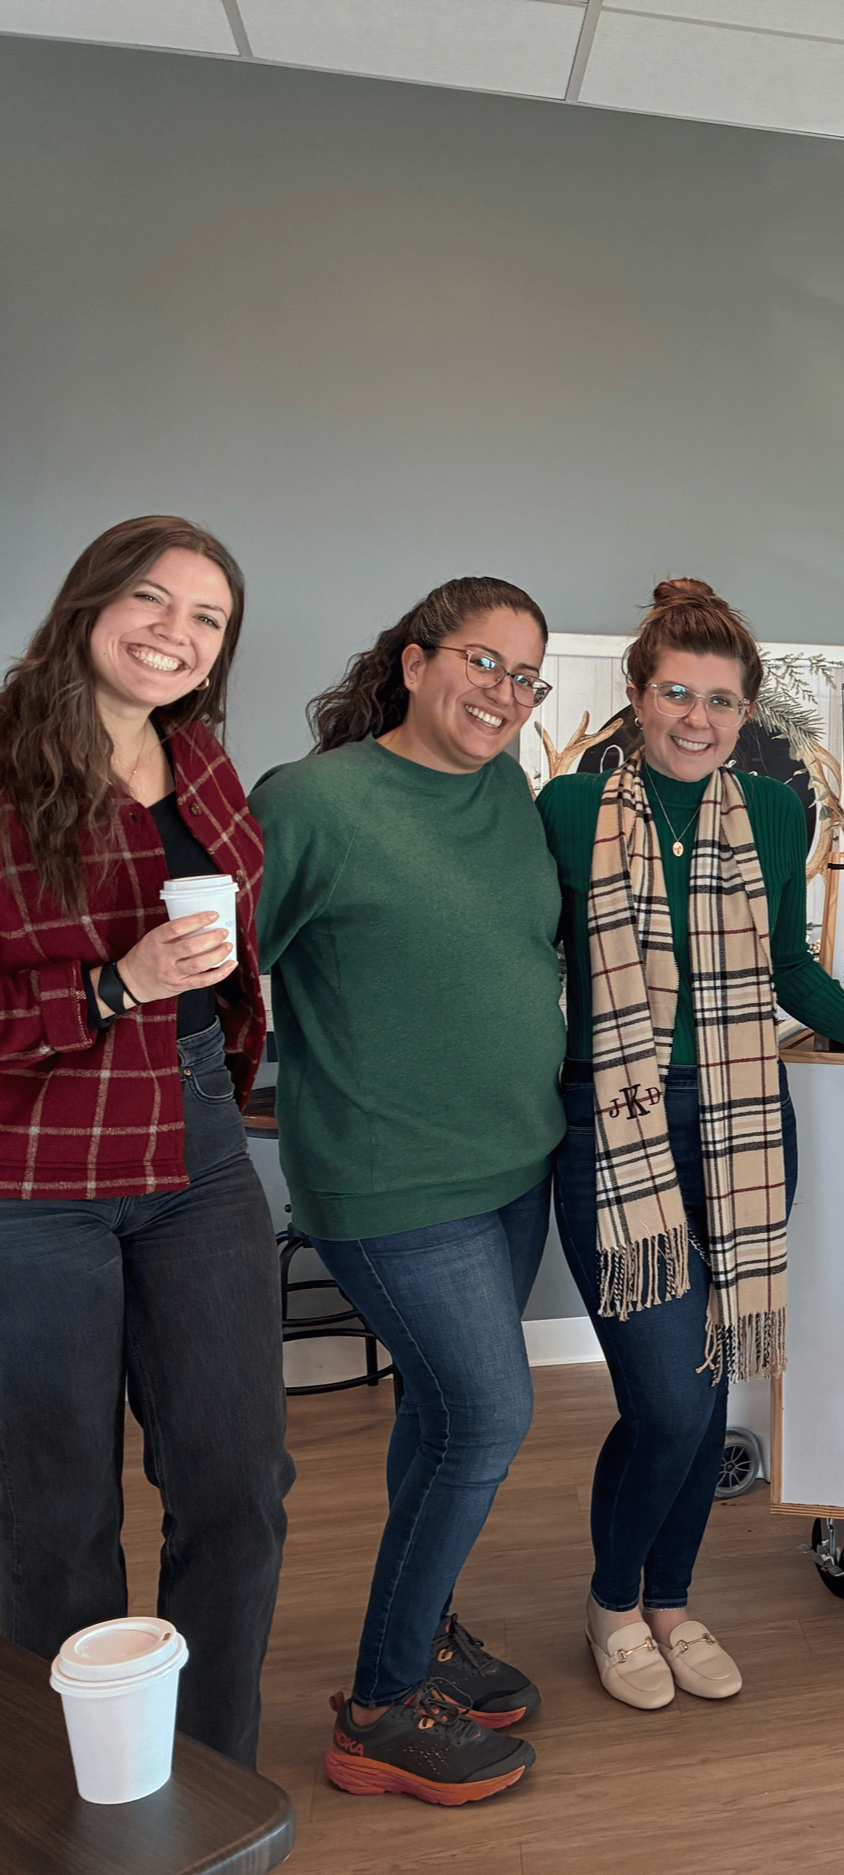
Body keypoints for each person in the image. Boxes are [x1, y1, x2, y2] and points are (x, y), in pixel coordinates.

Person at [537, 578, 844, 1711]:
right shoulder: (568, 811)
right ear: (636, 700)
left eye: (721, 700)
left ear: (746, 712)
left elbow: (787, 963)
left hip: (739, 1119)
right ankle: (612, 1604)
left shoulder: (776, 816)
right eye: (676, 694)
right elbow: (524, 960)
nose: (699, 718)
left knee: (710, 1376)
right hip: (618, 1123)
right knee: (669, 1404)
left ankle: (673, 1603)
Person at [253, 577, 565, 1805]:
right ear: (415, 662)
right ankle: (380, 1706)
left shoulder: (509, 793)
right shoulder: (314, 803)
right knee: (487, 1417)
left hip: (510, 1166)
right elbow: (221, 965)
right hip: (390, 1180)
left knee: (436, 1419)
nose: (503, 693)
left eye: (525, 676)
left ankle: (425, 1627)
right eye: (483, 663)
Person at [0, 516, 290, 1768]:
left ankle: (209, 1772)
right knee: (55, 1514)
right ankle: (83, 1786)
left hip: (198, 1148)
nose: (176, 632)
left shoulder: (203, 759)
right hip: (37, 1170)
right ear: (91, 601)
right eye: (153, 600)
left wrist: (230, 997)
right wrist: (111, 988)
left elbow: (233, 929)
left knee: (237, 1489)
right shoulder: (9, 763)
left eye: (208, 618)